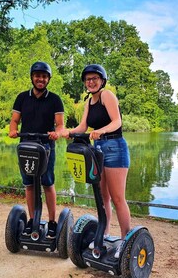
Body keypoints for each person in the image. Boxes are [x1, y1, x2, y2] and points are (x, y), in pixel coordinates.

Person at [62, 64, 131, 258]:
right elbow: (83, 125)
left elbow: (117, 121)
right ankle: (105, 233)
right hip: (97, 149)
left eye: (94, 78)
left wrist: (101, 131)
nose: (91, 82)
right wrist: (67, 132)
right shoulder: (88, 102)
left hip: (115, 147)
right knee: (103, 198)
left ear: (102, 80)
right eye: (88, 79)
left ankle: (126, 240)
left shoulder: (107, 95)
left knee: (118, 198)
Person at [9, 61, 65, 239]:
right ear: (32, 77)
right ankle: (32, 220)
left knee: (47, 183)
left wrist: (56, 133)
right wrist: (12, 130)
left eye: (44, 76)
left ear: (48, 79)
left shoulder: (55, 99)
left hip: (45, 146)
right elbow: (15, 120)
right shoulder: (22, 97)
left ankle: (52, 222)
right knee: (29, 184)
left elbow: (60, 125)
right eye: (37, 76)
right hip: (26, 145)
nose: (41, 79)